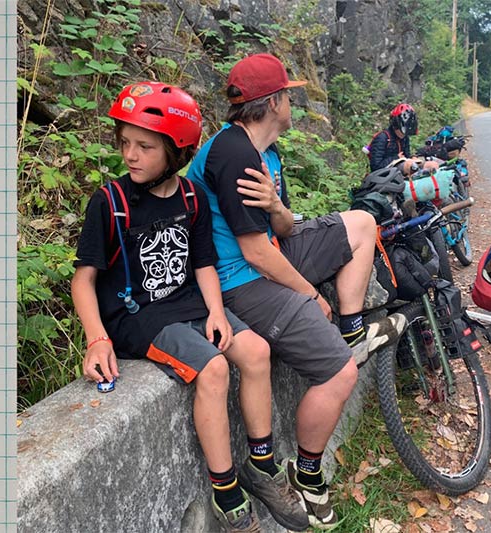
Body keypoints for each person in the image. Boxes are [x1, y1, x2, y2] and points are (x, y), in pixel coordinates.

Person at [70, 81, 309, 533]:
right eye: (125, 143)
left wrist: (217, 313)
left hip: (189, 302)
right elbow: (83, 280)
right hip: (137, 315)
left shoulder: (191, 199)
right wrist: (96, 339)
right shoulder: (111, 203)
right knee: (214, 369)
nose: (130, 155)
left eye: (145, 146)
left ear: (177, 151)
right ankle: (226, 490)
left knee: (256, 351)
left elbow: (203, 264)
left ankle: (261, 464)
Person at [187, 53, 407, 529]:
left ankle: (351, 328)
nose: (293, 101)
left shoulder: (266, 152)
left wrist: (274, 204)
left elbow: (282, 229)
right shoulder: (233, 154)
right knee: (339, 375)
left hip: (270, 254)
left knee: (362, 224)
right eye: (288, 94)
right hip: (237, 282)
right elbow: (254, 254)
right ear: (272, 103)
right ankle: (307, 473)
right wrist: (310, 293)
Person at [368, 103, 438, 175]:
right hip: (383, 173)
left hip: (401, 167)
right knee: (411, 166)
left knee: (432, 165)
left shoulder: (405, 138)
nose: (404, 135)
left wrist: (412, 158)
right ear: (395, 125)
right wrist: (396, 157)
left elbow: (406, 155)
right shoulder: (382, 138)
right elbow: (375, 166)